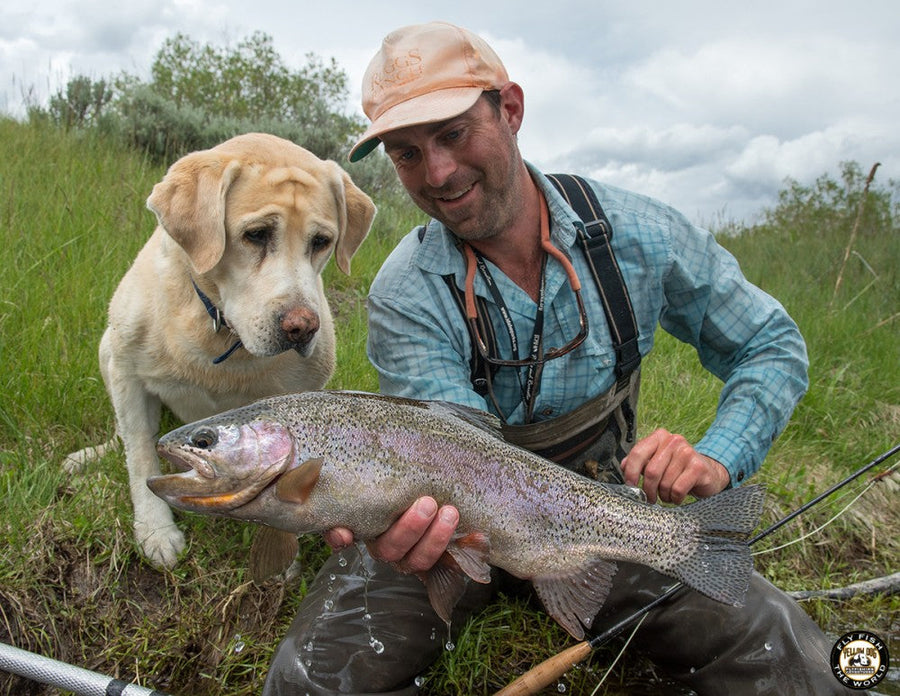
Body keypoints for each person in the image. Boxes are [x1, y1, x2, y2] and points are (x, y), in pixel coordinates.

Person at [264, 21, 852, 695]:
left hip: (599, 517)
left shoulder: (641, 237)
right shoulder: (406, 290)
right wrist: (394, 522)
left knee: (784, 650)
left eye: (454, 134)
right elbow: (445, 454)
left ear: (510, 110)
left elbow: (769, 345)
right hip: (448, 536)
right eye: (407, 153)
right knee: (310, 682)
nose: (439, 173)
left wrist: (719, 456)